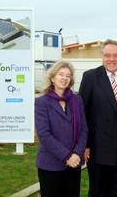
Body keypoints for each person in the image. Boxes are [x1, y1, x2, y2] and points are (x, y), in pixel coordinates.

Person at [79, 39, 117, 197]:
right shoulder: (90, 77)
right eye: (107, 55)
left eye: (115, 55)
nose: (111, 59)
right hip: (99, 147)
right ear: (102, 56)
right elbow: (82, 113)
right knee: (98, 190)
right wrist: (85, 145)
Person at [35, 61, 88, 197]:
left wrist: (76, 153)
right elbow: (44, 135)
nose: (64, 78)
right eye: (61, 74)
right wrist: (67, 156)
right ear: (52, 78)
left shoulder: (77, 100)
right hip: (50, 165)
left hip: (74, 164)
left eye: (68, 76)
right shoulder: (42, 102)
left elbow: (83, 130)